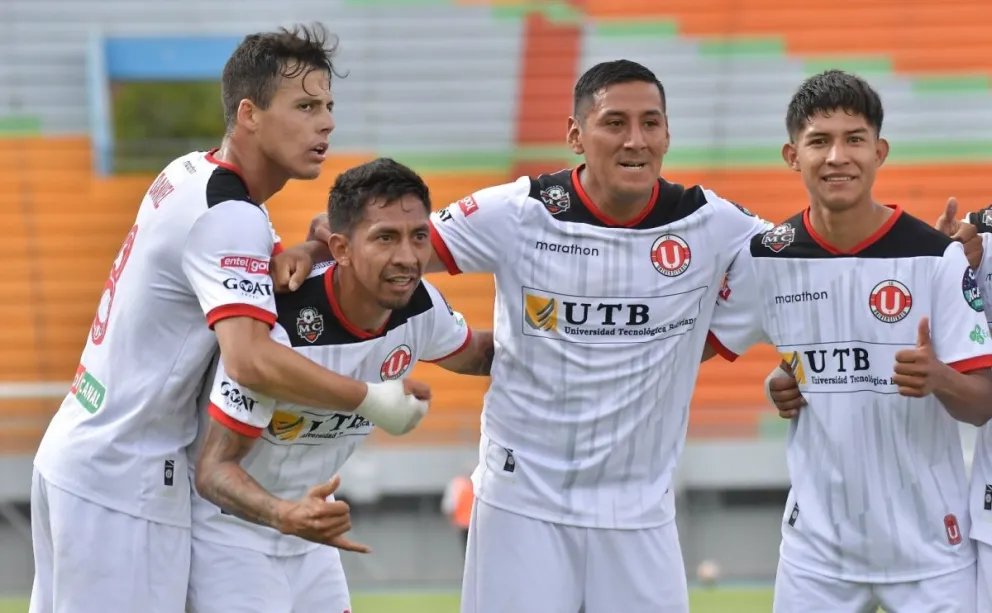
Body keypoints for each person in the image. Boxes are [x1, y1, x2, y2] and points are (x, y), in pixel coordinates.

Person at [308, 59, 773, 612]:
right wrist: (310, 250)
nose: (635, 140)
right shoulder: (519, 212)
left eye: (651, 123)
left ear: (667, 134)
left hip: (639, 512)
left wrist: (795, 369)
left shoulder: (713, 223)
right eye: (614, 122)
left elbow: (802, 278)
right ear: (575, 135)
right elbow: (387, 250)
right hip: (520, 503)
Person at [28, 25, 430, 613]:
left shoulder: (192, 174)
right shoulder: (232, 214)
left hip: (84, 456)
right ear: (250, 113)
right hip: (128, 478)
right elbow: (247, 360)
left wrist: (307, 251)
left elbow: (210, 267)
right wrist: (370, 397)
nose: (326, 123)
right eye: (305, 106)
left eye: (328, 107)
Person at [706, 70, 992, 613]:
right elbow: (680, 344)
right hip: (817, 556)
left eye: (854, 139)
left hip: (932, 548)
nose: (838, 156)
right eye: (819, 141)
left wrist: (940, 379)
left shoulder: (938, 257)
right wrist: (784, 377)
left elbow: (983, 403)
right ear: (792, 155)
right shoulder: (766, 257)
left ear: (879, 151)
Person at [184, 158, 495, 613]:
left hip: (310, 538)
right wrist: (283, 515)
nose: (408, 257)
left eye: (419, 237)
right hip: (231, 536)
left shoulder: (422, 307)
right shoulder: (278, 325)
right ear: (341, 249)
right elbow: (212, 471)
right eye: (385, 238)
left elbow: (482, 355)